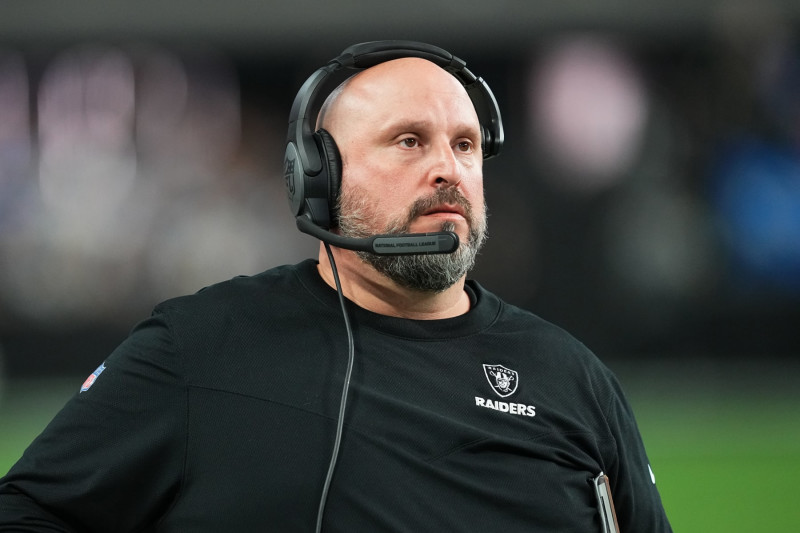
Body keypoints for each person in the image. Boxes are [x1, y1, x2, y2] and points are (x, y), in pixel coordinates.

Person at [0, 41, 672, 532]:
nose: (448, 169)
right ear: (317, 179)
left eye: (465, 145)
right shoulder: (200, 346)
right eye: (409, 141)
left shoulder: (573, 377)